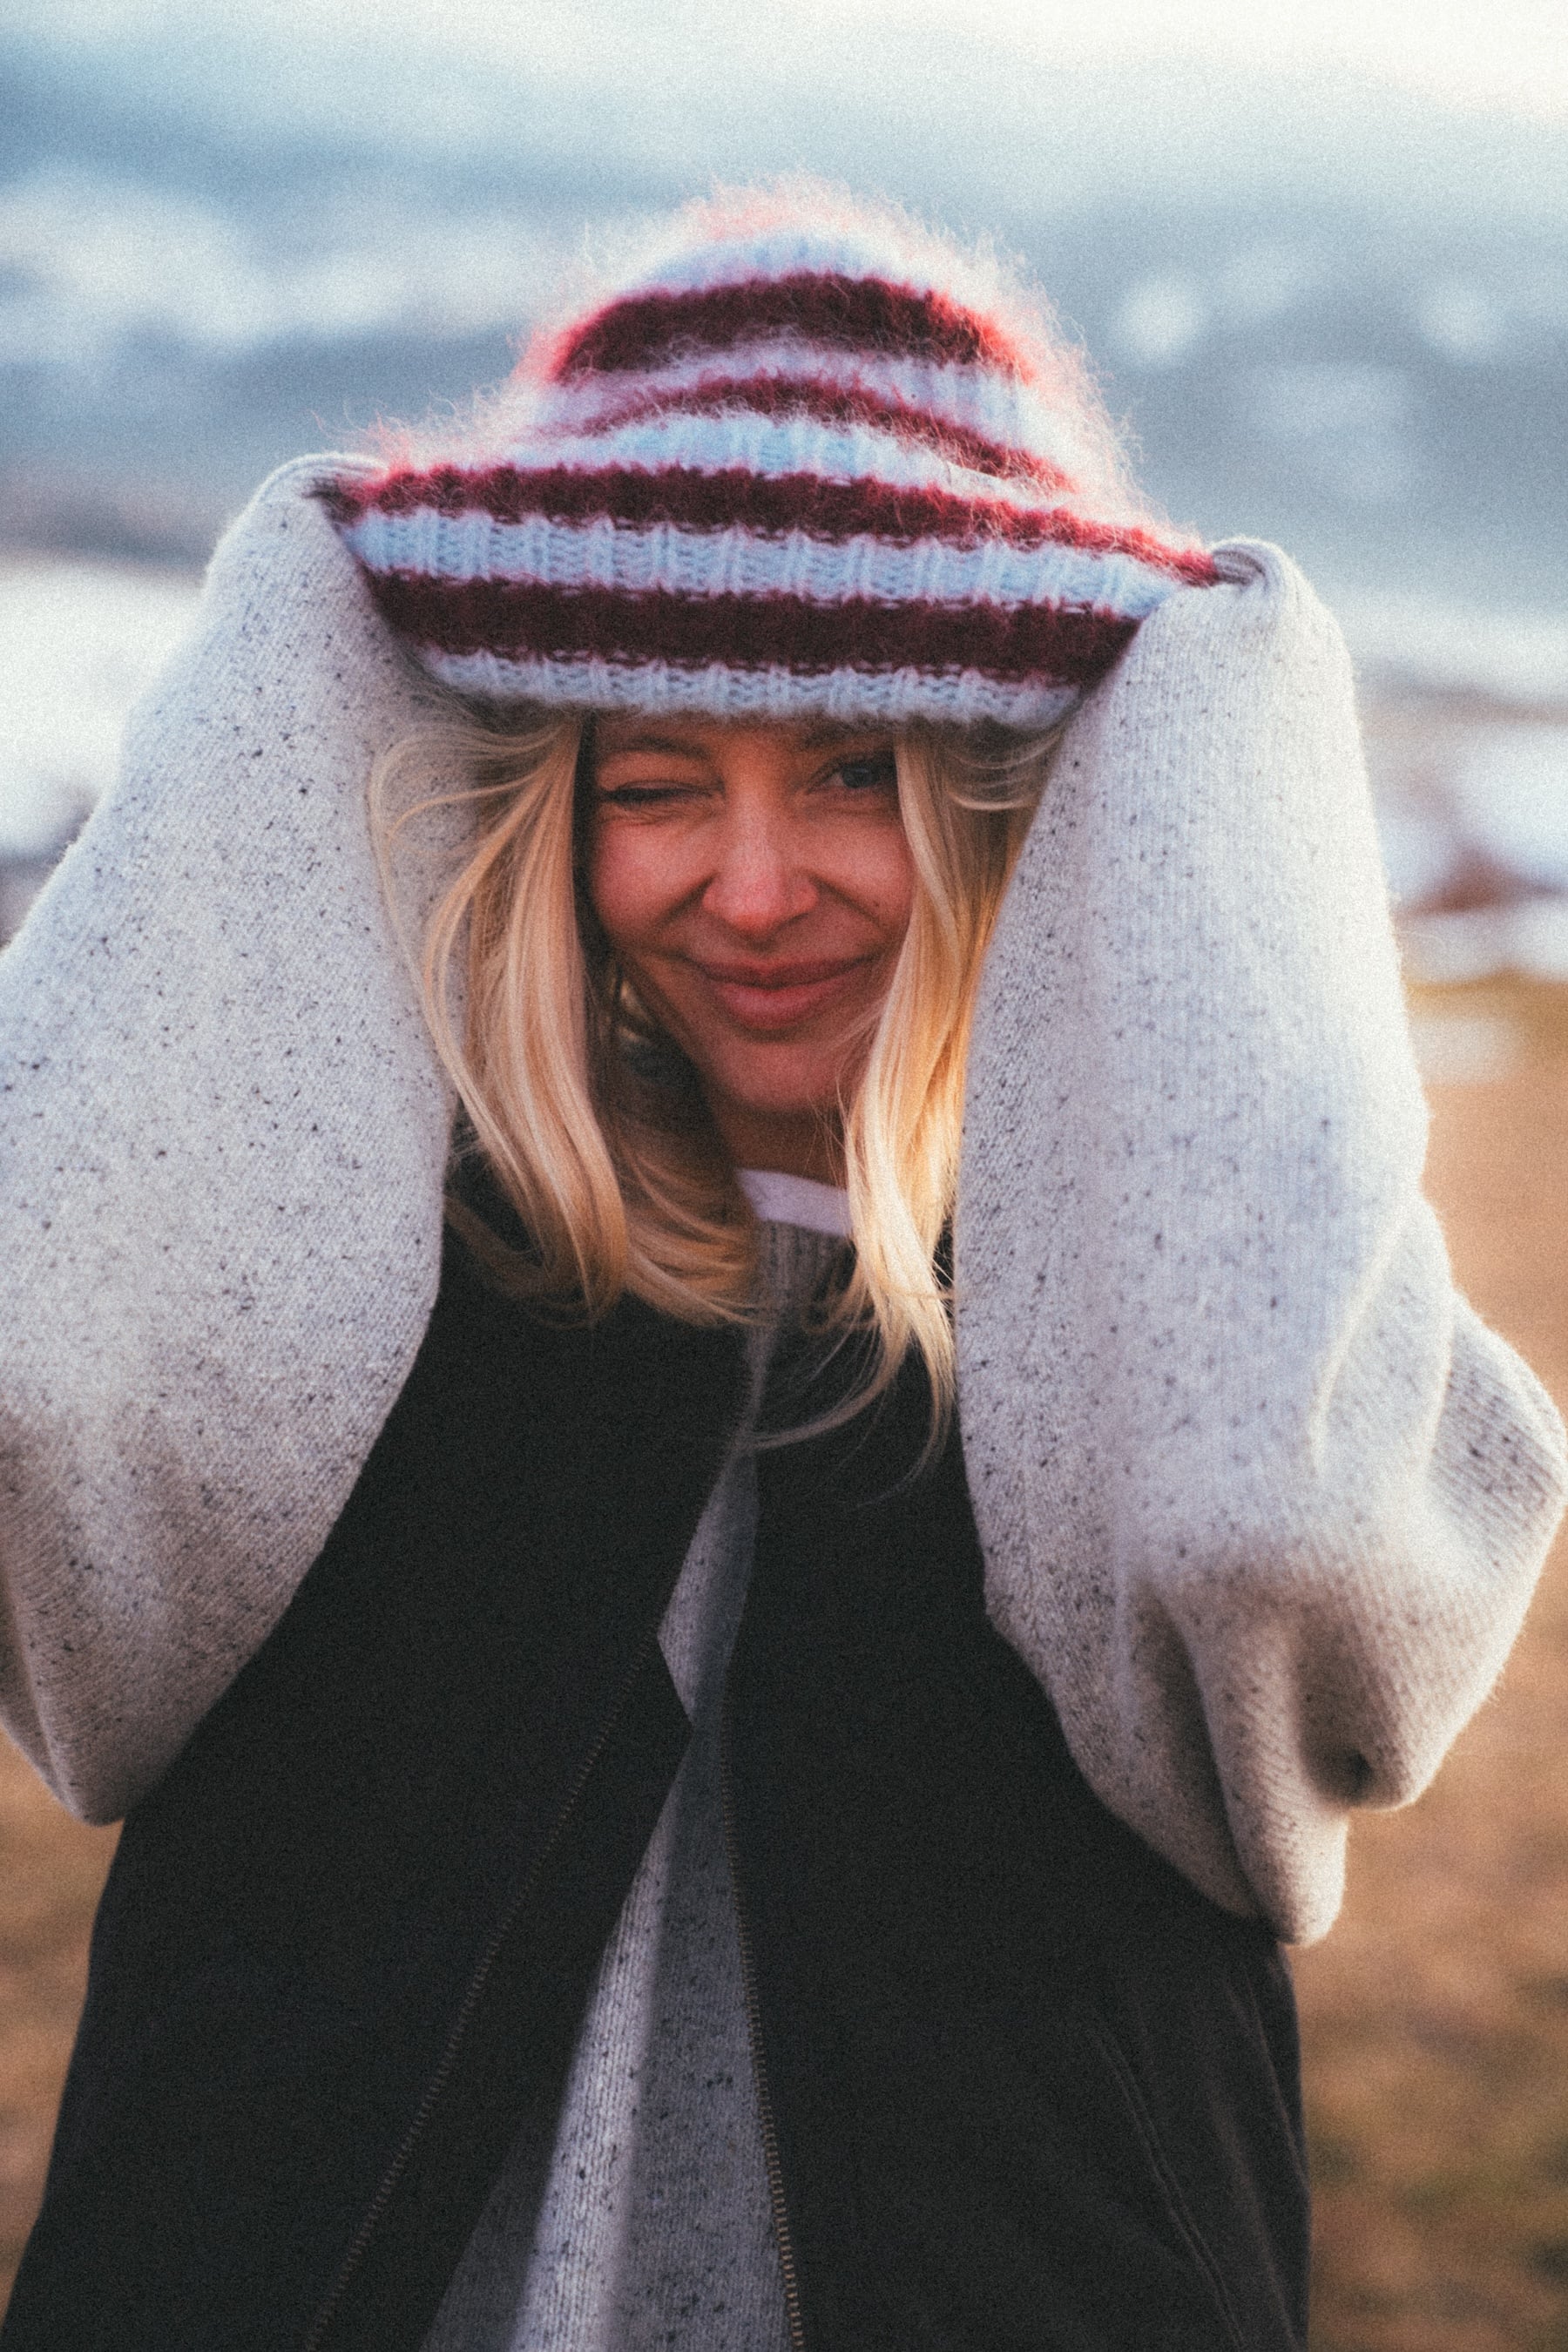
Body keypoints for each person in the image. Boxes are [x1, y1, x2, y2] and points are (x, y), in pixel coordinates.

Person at [0, 186, 1563, 2352]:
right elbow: (45, 1389)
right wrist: (311, 596)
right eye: (657, 782)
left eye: (858, 766)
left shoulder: (1126, 1333)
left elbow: (1277, 1547)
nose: (754, 889)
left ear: (1031, 790)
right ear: (543, 814)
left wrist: (1209, 678)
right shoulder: (370, 1309)